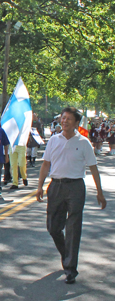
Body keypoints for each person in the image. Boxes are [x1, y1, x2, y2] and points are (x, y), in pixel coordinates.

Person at [37, 107, 107, 284]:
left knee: (73, 229)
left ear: (76, 123)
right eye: (63, 118)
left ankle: (70, 269)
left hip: (75, 187)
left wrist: (99, 192)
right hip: (56, 187)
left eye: (68, 118)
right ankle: (67, 255)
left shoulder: (83, 143)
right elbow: (46, 165)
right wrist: (39, 186)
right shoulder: (53, 140)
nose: (64, 121)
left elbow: (93, 168)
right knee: (53, 228)